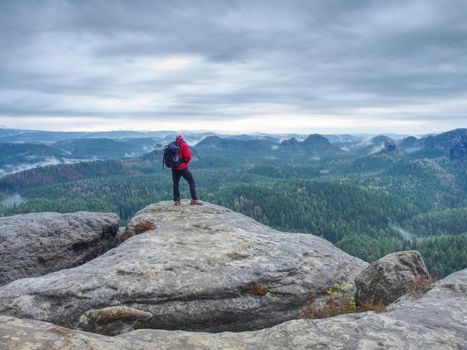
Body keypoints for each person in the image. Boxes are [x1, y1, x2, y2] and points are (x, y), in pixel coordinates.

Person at [172, 134, 202, 206]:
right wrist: (185, 162)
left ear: (176, 138)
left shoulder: (173, 144)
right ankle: (194, 199)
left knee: (175, 184)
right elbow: (188, 157)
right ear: (182, 138)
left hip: (174, 168)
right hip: (182, 168)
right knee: (191, 181)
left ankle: (176, 201)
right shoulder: (184, 145)